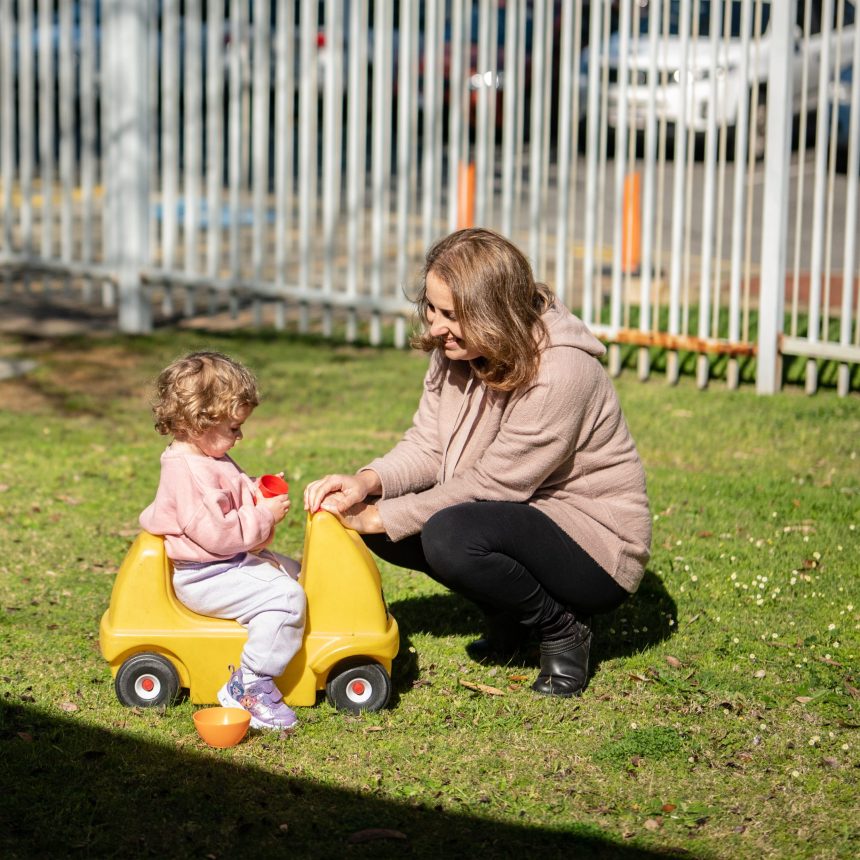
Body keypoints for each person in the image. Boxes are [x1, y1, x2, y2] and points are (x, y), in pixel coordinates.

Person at [304, 228, 651, 698]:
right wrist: (367, 483)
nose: (434, 326)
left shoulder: (561, 371)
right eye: (431, 307)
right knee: (390, 517)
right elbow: (429, 445)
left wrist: (384, 514)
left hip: (593, 545)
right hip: (519, 513)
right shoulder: (455, 351)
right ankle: (509, 613)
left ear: (495, 312)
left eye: (452, 314)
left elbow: (498, 484)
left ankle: (563, 628)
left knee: (447, 534)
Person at [140, 351, 305, 729]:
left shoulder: (206, 456)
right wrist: (263, 515)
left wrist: (254, 492)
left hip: (223, 565)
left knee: (298, 574)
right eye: (233, 427)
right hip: (206, 575)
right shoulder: (188, 471)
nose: (240, 435)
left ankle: (280, 652)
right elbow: (218, 535)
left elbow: (228, 495)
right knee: (286, 596)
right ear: (200, 421)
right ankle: (249, 684)